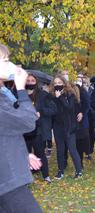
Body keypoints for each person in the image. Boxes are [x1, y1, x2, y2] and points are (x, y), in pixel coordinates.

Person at [0, 43, 42, 212]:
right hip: (7, 180)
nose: (10, 64)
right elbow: (27, 122)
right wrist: (21, 88)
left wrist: (23, 154)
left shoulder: (3, 94)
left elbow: (7, 131)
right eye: (4, 60)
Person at [23, 74, 57, 183]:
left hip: (37, 130)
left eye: (32, 80)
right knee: (25, 154)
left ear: (36, 82)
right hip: (23, 130)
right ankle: (27, 177)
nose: (30, 82)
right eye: (28, 80)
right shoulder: (20, 95)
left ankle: (46, 175)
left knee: (40, 153)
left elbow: (53, 109)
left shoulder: (42, 95)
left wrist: (41, 113)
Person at [50, 75, 83, 179]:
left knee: (72, 148)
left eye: (59, 83)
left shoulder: (70, 94)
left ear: (64, 83)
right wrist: (55, 98)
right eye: (55, 83)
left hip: (69, 125)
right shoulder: (51, 95)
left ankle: (79, 171)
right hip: (57, 125)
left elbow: (69, 108)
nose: (57, 85)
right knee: (60, 149)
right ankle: (61, 170)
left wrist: (60, 97)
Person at [75, 76, 91, 168]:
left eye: (80, 80)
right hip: (73, 121)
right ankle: (79, 162)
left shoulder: (83, 92)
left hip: (83, 121)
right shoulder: (71, 91)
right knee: (77, 143)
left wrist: (82, 113)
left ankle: (87, 152)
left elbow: (87, 104)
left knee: (83, 140)